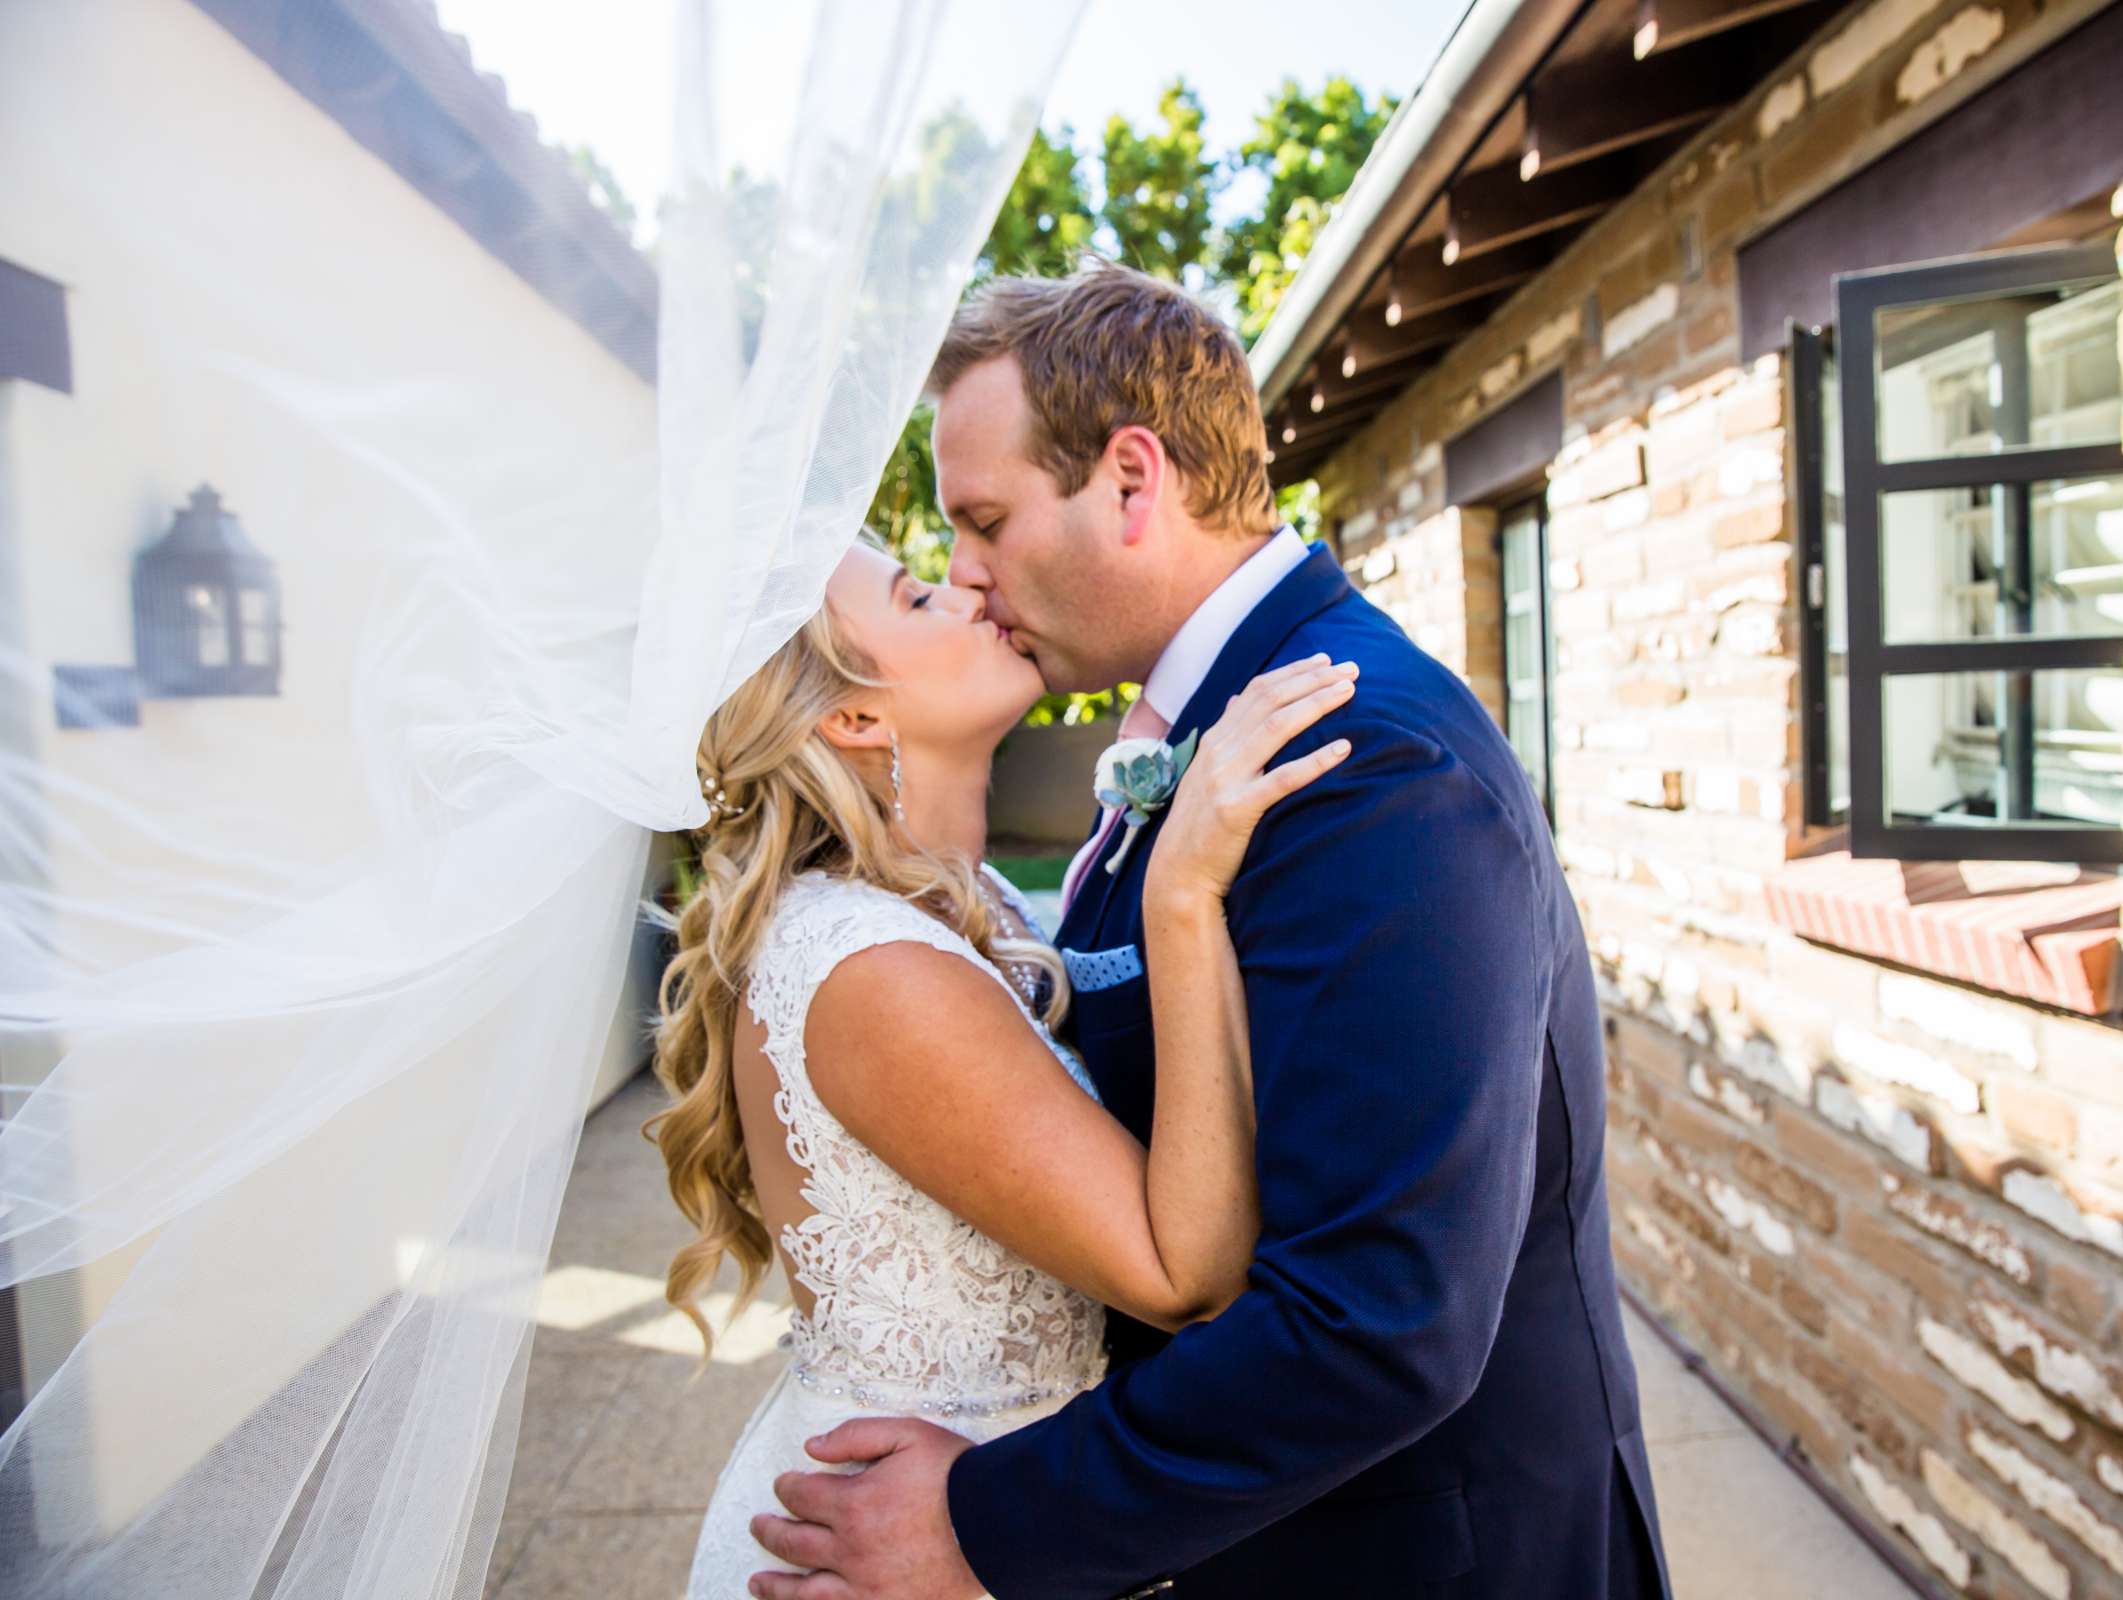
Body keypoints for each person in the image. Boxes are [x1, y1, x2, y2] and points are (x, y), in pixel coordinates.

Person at [747, 262, 1671, 1599]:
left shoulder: (1365, 763)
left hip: (1427, 1558)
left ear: (1133, 480)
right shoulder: (1203, 735)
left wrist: (991, 1523)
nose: (965, 573)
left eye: (987, 520)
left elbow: (1377, 1321)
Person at [655, 531, 1360, 1597]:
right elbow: (1185, 1274)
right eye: (917, 596)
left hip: (994, 1518)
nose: (967, 585)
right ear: (854, 715)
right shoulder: (872, 967)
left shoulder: (975, 907)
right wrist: (1179, 897)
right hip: (898, 1540)